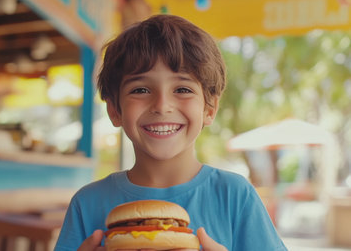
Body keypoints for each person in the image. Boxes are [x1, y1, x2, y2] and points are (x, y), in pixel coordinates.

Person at [54, 14, 287, 251]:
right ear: (115, 110)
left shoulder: (235, 196)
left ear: (209, 108)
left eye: (183, 89)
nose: (162, 105)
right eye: (141, 89)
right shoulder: (87, 204)